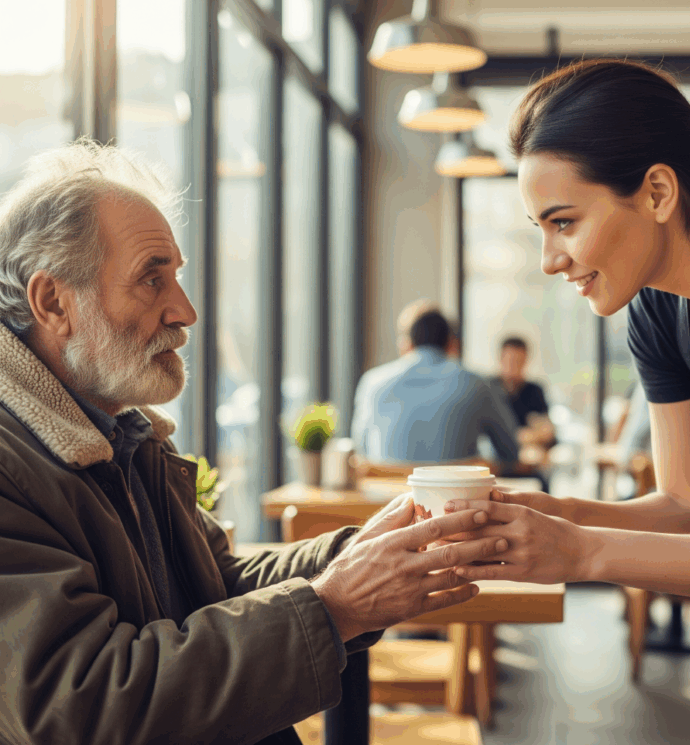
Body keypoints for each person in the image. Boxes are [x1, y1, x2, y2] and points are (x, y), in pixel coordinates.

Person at [0, 139, 509, 745]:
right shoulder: (14, 465)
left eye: (177, 278)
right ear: (54, 301)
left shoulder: (125, 439)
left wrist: (360, 555)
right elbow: (78, 707)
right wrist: (334, 605)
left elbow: (218, 582)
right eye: (151, 279)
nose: (184, 311)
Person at [438, 57, 690, 604]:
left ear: (658, 193)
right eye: (541, 228)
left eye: (563, 222)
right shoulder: (659, 314)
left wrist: (584, 551)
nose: (549, 260)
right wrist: (559, 515)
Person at [351, 305, 519, 465]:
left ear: (409, 344)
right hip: (452, 494)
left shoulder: (372, 382)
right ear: (451, 344)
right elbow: (510, 452)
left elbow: (361, 449)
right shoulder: (476, 384)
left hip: (387, 494)